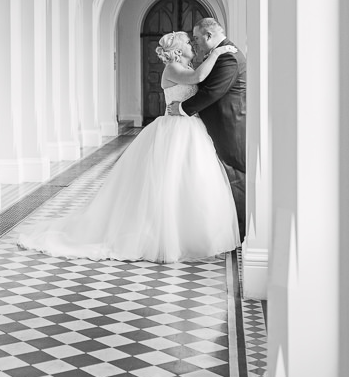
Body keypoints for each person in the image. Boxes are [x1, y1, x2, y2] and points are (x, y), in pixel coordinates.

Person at [17, 31, 241, 263]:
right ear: (177, 49)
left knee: (191, 181)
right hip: (174, 130)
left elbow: (202, 80)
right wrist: (218, 51)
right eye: (186, 41)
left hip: (190, 128)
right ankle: (160, 237)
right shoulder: (172, 68)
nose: (190, 43)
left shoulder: (185, 66)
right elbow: (198, 77)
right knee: (166, 184)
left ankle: (193, 235)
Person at [167, 18, 247, 242]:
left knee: (235, 178)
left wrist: (182, 107)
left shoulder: (228, 56)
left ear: (209, 36)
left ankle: (240, 233)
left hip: (229, 125)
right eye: (191, 41)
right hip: (207, 127)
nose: (195, 43)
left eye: (197, 39)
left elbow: (211, 92)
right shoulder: (219, 54)